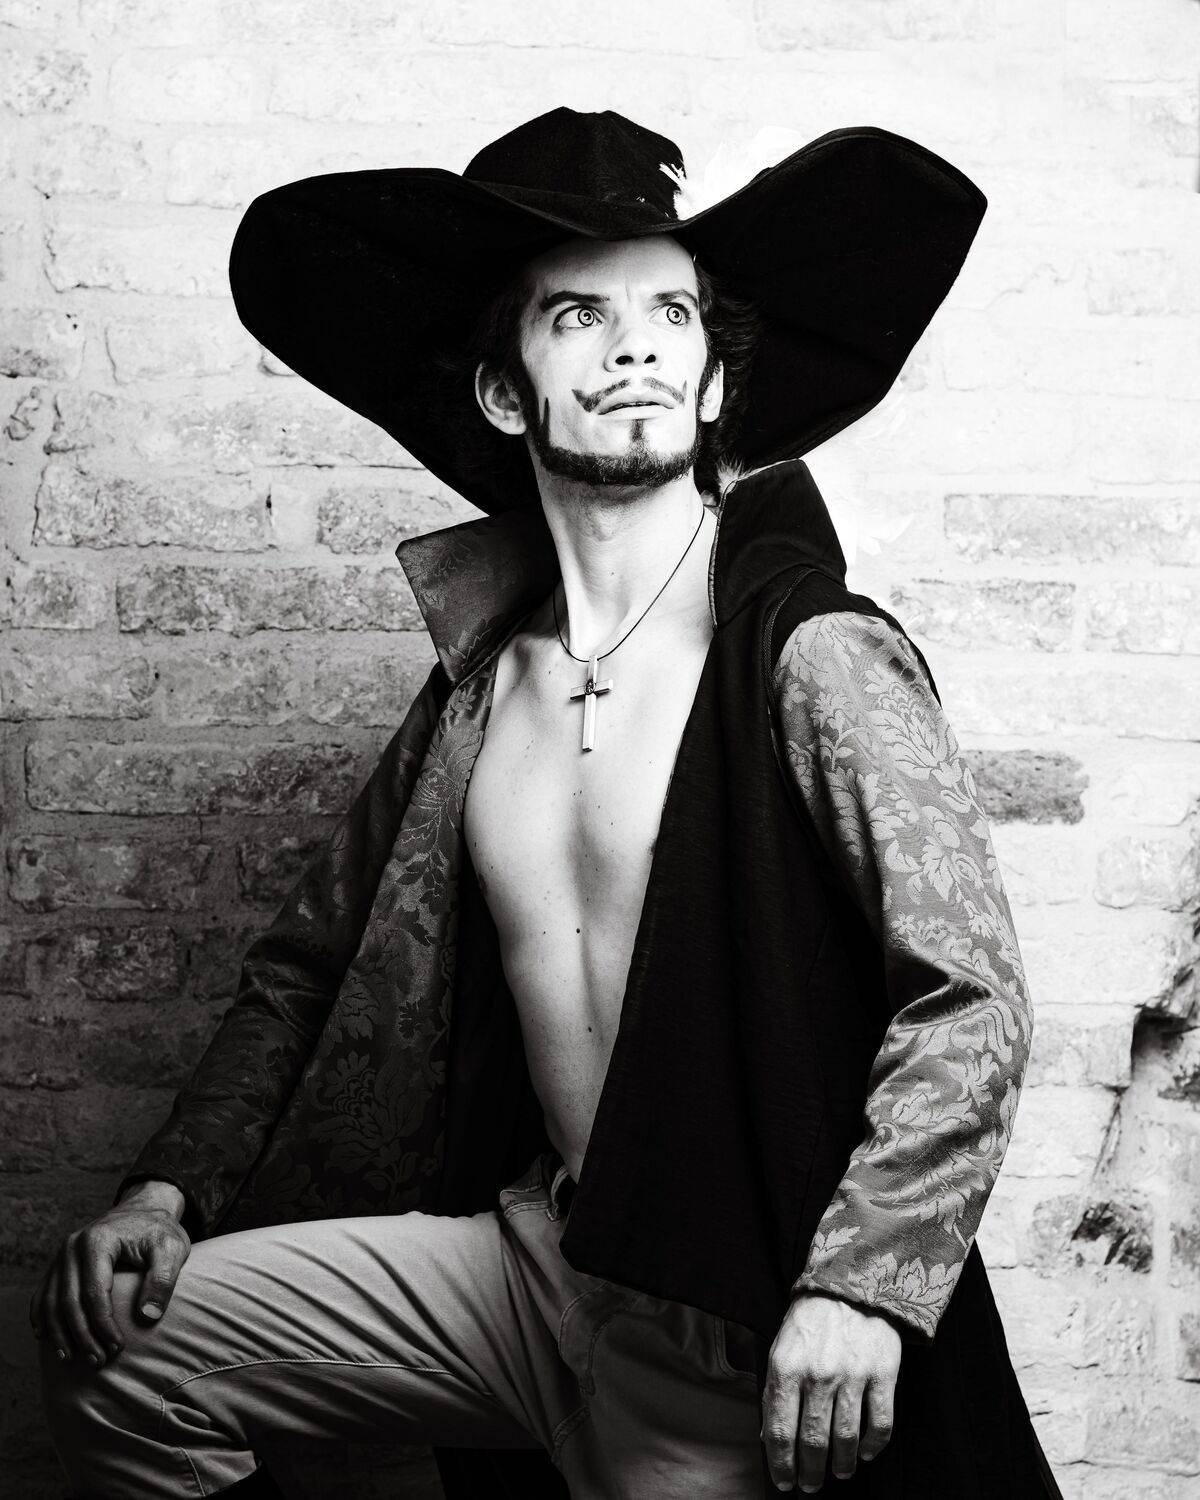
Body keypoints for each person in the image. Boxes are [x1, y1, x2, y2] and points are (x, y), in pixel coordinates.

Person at [33, 108, 1062, 1498]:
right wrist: (168, 1191)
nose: (635, 347)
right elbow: (302, 970)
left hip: (730, 1310)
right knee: (124, 1358)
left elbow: (969, 995)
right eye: (579, 315)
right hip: (529, 1266)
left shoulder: (812, 655)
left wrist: (864, 1284)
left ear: (714, 383)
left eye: (671, 314)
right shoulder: (476, 695)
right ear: (506, 394)